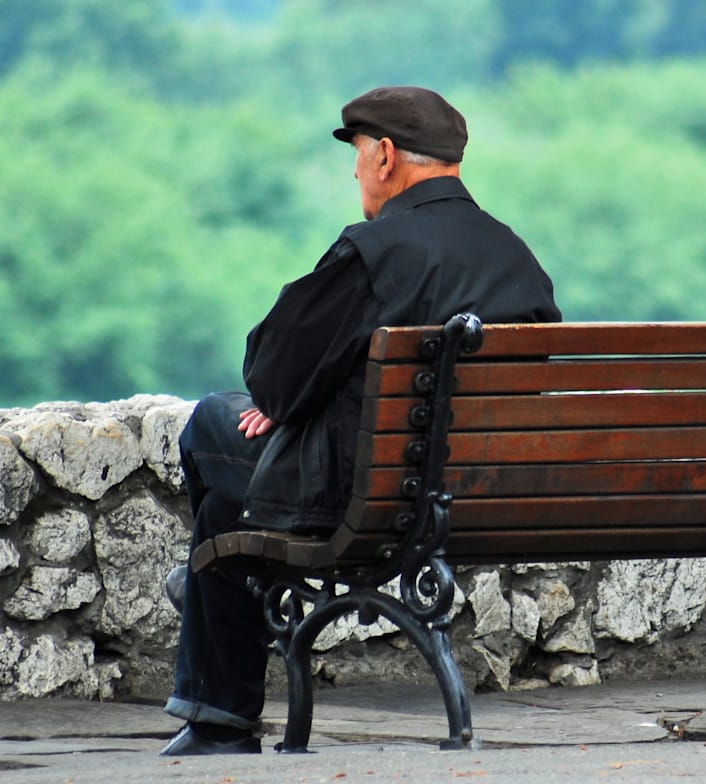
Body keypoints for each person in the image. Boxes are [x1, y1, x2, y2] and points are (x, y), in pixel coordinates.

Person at [160, 86, 562, 756]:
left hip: (363, 496)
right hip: (476, 494)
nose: (354, 176)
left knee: (210, 424)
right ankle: (214, 637)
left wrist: (289, 404)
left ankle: (217, 652)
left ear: (383, 156)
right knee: (224, 516)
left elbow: (270, 370)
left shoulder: (377, 251)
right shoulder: (516, 258)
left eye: (355, 159)